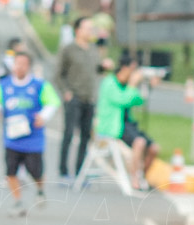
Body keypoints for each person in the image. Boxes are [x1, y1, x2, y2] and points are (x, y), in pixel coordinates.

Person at [0, 51, 61, 216]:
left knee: (35, 171)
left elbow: (53, 102)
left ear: (29, 67)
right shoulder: (4, 85)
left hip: (33, 139)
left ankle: (40, 189)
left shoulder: (39, 85)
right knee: (11, 172)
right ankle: (18, 201)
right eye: (17, 63)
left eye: (23, 64)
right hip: (12, 138)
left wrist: (43, 116)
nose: (20, 67)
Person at [56, 16, 112, 181]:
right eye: (88, 28)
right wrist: (66, 91)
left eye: (92, 28)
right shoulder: (69, 50)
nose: (90, 31)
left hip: (90, 99)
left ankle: (80, 171)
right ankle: (63, 171)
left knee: (86, 136)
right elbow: (58, 74)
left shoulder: (94, 49)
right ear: (78, 30)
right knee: (69, 134)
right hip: (74, 97)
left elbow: (96, 70)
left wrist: (104, 67)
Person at [95, 56, 160, 190]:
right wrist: (132, 85)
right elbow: (123, 100)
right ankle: (134, 179)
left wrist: (147, 87)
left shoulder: (128, 86)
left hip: (127, 124)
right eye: (133, 69)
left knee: (154, 148)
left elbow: (139, 101)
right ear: (125, 69)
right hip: (113, 126)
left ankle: (143, 177)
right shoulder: (110, 83)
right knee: (139, 143)